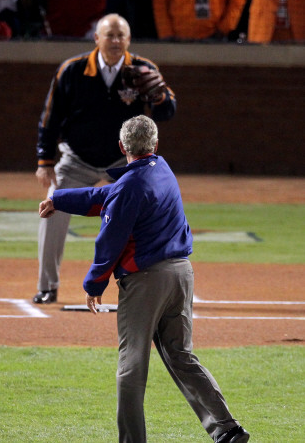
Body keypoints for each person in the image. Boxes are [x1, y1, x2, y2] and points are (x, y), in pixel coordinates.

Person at [38, 115, 250, 443]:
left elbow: (110, 240)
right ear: (154, 144)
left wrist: (94, 283)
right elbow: (107, 196)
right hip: (181, 275)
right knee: (181, 356)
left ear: (122, 146)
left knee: (131, 366)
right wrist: (60, 200)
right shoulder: (161, 169)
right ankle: (227, 428)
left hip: (146, 283)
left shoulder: (129, 186)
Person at [33, 13, 176, 304]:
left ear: (128, 40)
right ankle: (48, 286)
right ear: (96, 38)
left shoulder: (143, 69)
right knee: (53, 207)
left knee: (146, 214)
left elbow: (168, 112)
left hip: (127, 163)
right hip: (77, 158)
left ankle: (142, 281)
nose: (115, 41)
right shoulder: (71, 71)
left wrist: (160, 98)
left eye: (121, 35)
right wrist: (45, 161)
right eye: (109, 35)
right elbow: (50, 117)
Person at [152, 0, 246, 41]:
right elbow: (159, 2)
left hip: (216, 39)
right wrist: (167, 34)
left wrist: (224, 28)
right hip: (178, 39)